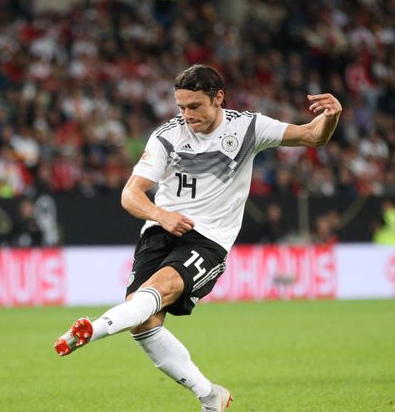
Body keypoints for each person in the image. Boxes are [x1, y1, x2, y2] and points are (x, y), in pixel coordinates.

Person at [53, 64, 342, 411]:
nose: (187, 115)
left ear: (218, 98)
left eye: (195, 107)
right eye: (181, 107)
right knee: (143, 321)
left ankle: (93, 328)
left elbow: (313, 135)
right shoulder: (167, 136)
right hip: (160, 231)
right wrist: (162, 215)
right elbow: (130, 194)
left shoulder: (249, 128)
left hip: (209, 239)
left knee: (156, 291)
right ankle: (210, 396)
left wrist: (331, 116)